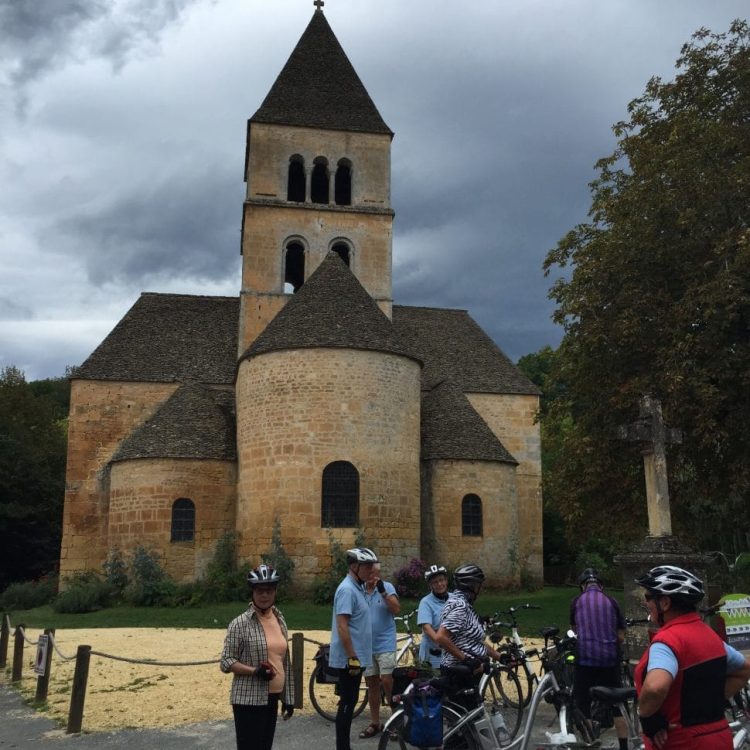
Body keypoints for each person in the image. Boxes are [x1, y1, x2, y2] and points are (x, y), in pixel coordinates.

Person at [635, 564, 750, 750]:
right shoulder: (711, 636)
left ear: (664, 603)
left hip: (680, 740)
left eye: (648, 598)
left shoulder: (667, 641)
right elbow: (744, 669)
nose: (646, 603)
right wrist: (708, 704)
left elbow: (655, 687)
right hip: (718, 737)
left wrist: (647, 717)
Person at [220, 564, 295, 750]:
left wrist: (288, 698)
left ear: (275, 592)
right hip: (248, 699)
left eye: (269, 591)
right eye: (260, 591)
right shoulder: (240, 624)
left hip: (272, 697)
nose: (264, 595)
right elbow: (226, 661)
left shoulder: (279, 619)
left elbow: (283, 661)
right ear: (252, 592)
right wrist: (255, 671)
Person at [569, 567, 629, 750]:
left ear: (583, 586)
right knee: (617, 704)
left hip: (585, 659)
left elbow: (575, 630)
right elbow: (620, 636)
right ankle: (624, 745)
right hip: (609, 660)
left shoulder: (576, 602)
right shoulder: (611, 601)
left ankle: (589, 742)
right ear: (600, 586)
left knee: (583, 704)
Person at [329, 547, 378, 750]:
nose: (371, 569)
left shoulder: (357, 587)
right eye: (367, 566)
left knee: (350, 702)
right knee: (348, 704)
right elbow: (342, 626)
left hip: (356, 658)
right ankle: (343, 747)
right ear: (354, 566)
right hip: (351, 659)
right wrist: (353, 658)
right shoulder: (347, 589)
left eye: (371, 565)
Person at [435, 563, 503, 672]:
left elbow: (472, 641)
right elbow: (441, 638)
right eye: (478, 585)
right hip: (460, 673)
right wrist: (466, 660)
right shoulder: (460, 606)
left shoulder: (461, 602)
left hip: (468, 671)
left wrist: (499, 657)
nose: (479, 590)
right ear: (470, 586)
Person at [360, 561, 400, 739]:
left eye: (375, 573)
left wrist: (383, 592)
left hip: (385, 643)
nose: (371, 577)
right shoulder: (359, 590)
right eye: (369, 573)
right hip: (366, 646)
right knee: (372, 685)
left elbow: (396, 609)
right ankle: (375, 723)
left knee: (387, 680)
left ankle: (396, 721)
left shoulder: (387, 587)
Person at [417, 564, 451, 669]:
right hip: (433, 653)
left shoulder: (454, 599)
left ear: (446, 581)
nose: (439, 584)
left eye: (441, 580)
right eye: (435, 582)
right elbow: (427, 628)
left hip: (451, 652)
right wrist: (441, 642)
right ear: (430, 585)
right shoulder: (426, 602)